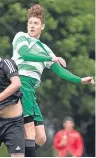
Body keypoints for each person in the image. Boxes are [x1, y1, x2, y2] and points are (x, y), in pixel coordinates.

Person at [11, 4, 95, 157]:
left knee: (41, 138)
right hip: (20, 83)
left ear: (42, 26)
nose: (32, 26)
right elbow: (24, 54)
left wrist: (80, 80)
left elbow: (59, 70)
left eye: (36, 23)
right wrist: (51, 58)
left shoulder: (45, 49)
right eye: (30, 23)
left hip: (31, 89)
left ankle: (16, 153)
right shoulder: (21, 37)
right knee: (29, 131)